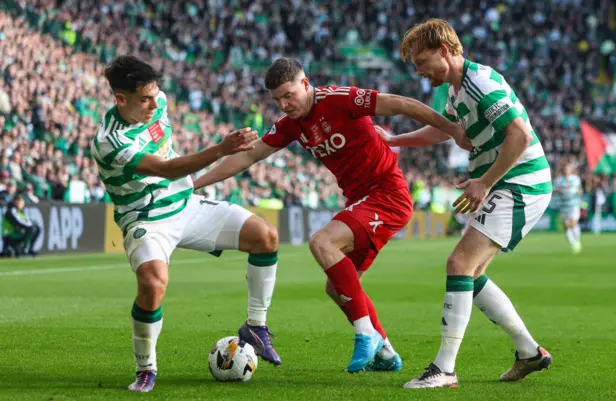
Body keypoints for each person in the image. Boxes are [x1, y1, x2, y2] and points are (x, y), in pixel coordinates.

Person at [194, 57, 468, 373]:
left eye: (289, 95)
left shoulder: (340, 99)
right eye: (277, 100)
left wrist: (450, 128)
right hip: (361, 202)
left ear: (306, 83)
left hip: (387, 194)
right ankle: (386, 353)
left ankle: (365, 333)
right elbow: (250, 156)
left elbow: (402, 104)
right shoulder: (291, 124)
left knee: (322, 242)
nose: (284, 105)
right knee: (337, 288)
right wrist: (193, 183)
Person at [91, 55, 282, 393]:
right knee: (153, 284)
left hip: (185, 205)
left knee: (265, 236)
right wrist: (221, 149)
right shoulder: (110, 142)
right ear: (120, 99)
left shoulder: (159, 101)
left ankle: (256, 326)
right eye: (144, 99)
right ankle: (146, 368)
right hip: (146, 218)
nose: (154, 103)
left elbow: (171, 165)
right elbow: (166, 169)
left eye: (155, 94)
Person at [386, 19, 553, 389]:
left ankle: (444, 369)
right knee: (470, 274)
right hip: (506, 184)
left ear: (445, 51)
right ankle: (529, 352)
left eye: (422, 61)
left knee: (459, 263)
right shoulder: (458, 89)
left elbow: (520, 135)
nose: (419, 71)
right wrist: (394, 140)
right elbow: (445, 130)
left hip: (519, 184)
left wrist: (484, 182)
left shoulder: (479, 85)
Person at [553, 163, 583, 252]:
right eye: (565, 169)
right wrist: (558, 190)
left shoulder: (575, 179)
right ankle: (573, 244)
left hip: (574, 204)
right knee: (566, 226)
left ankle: (577, 241)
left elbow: (579, 190)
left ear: (571, 170)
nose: (566, 170)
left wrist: (566, 191)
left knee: (573, 223)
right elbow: (555, 189)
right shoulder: (558, 180)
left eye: (568, 169)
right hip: (563, 205)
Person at [1, 191, 41, 257]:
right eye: (18, 201)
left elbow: (25, 221)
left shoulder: (19, 212)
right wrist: (31, 224)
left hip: (16, 234)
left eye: (21, 201)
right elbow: (19, 222)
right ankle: (24, 250)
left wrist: (31, 224)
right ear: (14, 202)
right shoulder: (11, 211)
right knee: (31, 228)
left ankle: (29, 249)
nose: (20, 203)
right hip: (9, 236)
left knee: (36, 228)